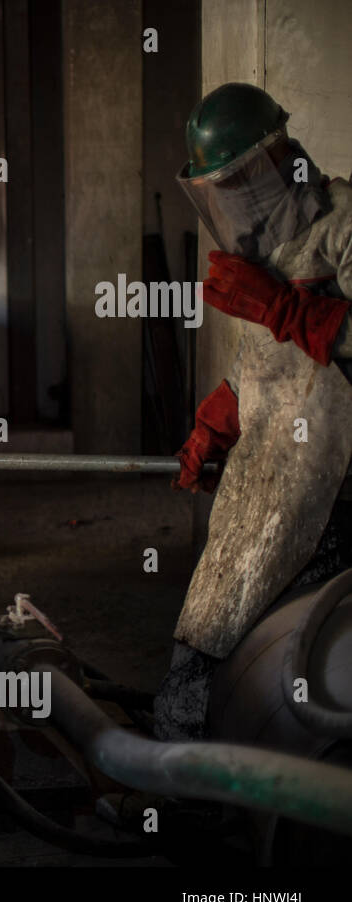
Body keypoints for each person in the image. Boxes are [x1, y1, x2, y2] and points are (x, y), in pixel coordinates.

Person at [158, 82, 352, 739]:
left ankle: (193, 780)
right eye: (223, 190)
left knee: (242, 611)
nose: (237, 203)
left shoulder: (344, 225)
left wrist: (283, 306)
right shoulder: (269, 252)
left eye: (244, 180)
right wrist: (223, 414)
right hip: (285, 461)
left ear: (283, 157)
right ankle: (203, 757)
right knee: (218, 606)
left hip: (341, 473)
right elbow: (266, 362)